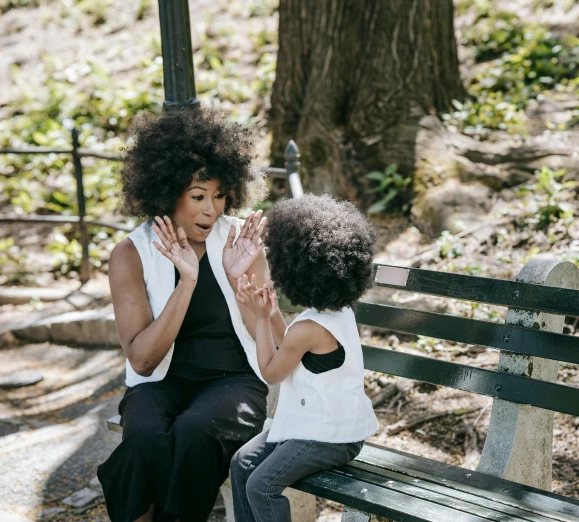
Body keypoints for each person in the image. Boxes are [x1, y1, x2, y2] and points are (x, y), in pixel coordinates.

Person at [97, 109, 287, 522]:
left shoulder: (240, 241)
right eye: (198, 196)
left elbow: (278, 337)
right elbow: (143, 360)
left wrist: (242, 281)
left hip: (234, 380)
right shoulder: (131, 254)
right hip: (160, 382)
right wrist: (187, 281)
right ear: (167, 193)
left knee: (195, 433)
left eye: (219, 195)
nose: (212, 209)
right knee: (145, 439)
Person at [229, 193, 379, 522]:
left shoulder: (311, 327)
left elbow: (272, 370)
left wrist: (262, 316)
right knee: (242, 463)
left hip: (332, 436)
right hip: (315, 423)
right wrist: (269, 314)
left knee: (261, 486)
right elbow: (292, 344)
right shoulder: (333, 311)